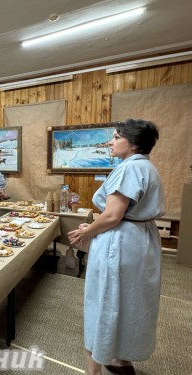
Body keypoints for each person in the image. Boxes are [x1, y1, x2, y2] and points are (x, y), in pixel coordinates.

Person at [67, 119, 164, 375]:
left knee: (104, 301)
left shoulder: (128, 169)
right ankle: (119, 358)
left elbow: (112, 216)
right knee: (128, 301)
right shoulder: (146, 167)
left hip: (120, 242)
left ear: (132, 144)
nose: (110, 142)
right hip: (139, 240)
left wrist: (87, 231)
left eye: (116, 137)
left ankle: (94, 369)